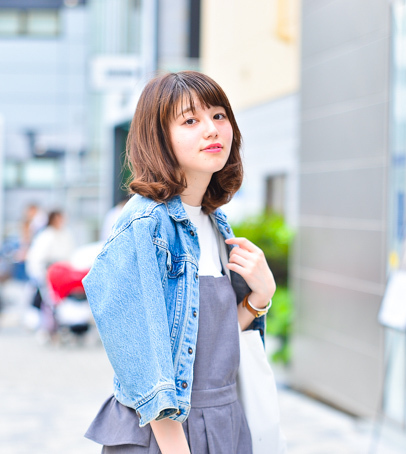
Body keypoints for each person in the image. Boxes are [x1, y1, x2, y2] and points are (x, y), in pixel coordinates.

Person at [83, 71, 277, 454]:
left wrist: (261, 295)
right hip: (166, 436)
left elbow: (206, 339)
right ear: (159, 139)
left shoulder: (215, 222)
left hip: (223, 424)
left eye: (219, 116)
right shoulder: (145, 225)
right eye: (190, 121)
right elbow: (145, 365)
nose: (212, 130)